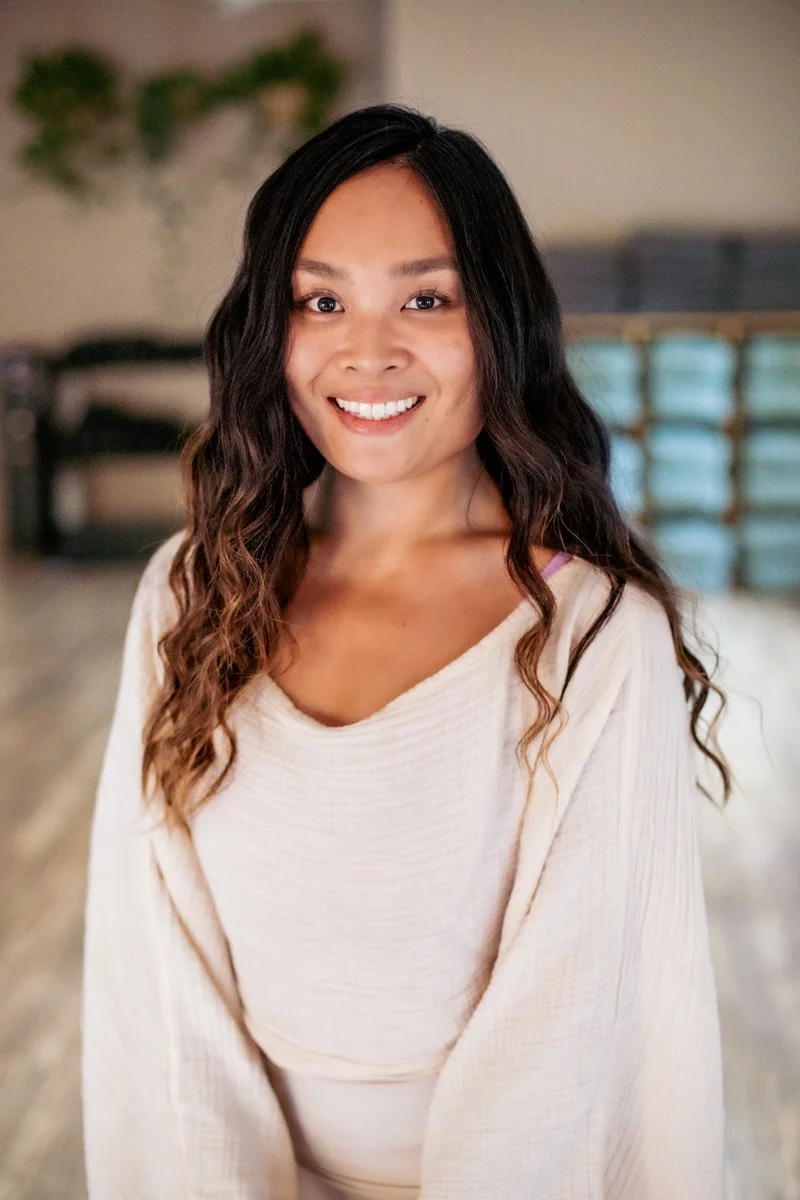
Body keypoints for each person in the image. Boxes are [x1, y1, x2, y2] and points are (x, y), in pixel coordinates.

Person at [81, 104, 731, 1200]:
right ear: (271, 329)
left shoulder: (592, 633)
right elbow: (153, 961)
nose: (368, 351)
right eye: (321, 301)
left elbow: (571, 1024)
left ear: (502, 324)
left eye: (426, 299)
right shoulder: (192, 592)